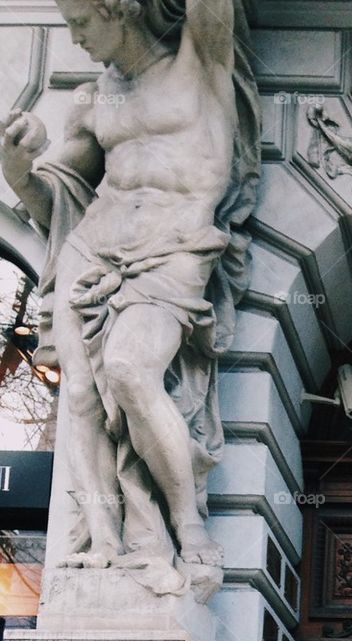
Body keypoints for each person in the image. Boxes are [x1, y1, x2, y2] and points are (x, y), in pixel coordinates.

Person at [0, 0, 260, 597]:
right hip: (92, 249)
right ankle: (104, 541)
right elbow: (55, 205)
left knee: (128, 369)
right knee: (83, 399)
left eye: (81, 22)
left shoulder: (201, 58)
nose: (75, 38)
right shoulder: (93, 99)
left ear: (121, 8)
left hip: (174, 250)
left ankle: (186, 526)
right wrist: (17, 170)